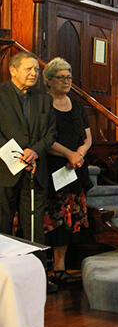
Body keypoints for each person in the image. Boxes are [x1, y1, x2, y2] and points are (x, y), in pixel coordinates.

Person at [42, 58, 93, 285]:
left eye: (69, 77)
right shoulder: (42, 105)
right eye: (61, 78)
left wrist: (80, 153)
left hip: (75, 168)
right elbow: (45, 140)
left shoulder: (77, 105)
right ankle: (46, 267)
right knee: (51, 219)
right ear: (49, 80)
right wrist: (69, 154)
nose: (66, 81)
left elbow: (88, 136)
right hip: (52, 167)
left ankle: (61, 267)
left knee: (68, 219)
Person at [0, 51, 56, 247]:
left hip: (35, 170)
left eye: (37, 70)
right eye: (29, 69)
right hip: (6, 171)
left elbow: (51, 133)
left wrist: (34, 151)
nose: (34, 73)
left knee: (33, 229)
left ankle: (35, 273)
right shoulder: (1, 95)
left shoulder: (44, 99)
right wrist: (17, 155)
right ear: (13, 70)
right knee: (3, 225)